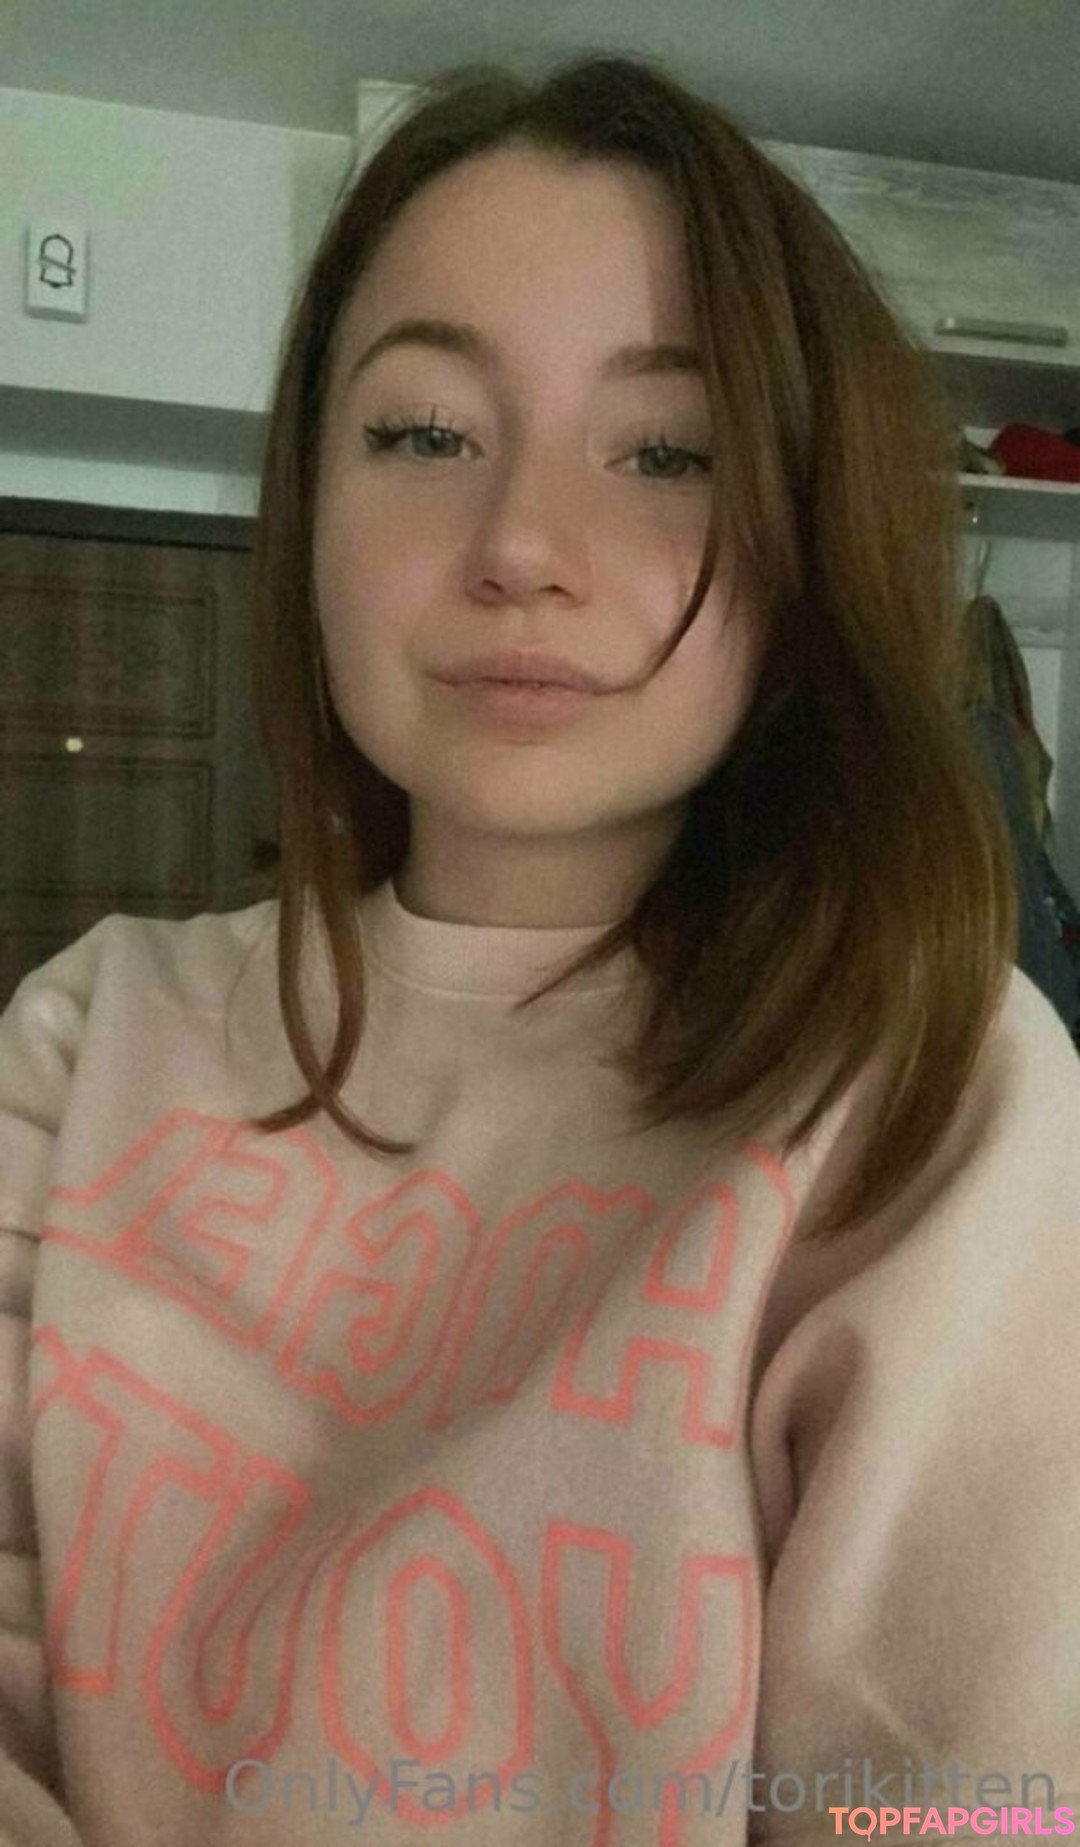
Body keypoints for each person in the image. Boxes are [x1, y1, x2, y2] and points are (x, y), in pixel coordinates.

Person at [2, 49, 1078, 1847]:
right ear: (310, 507)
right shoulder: (87, 1035)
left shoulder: (933, 1087)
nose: (519, 546)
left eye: (666, 452)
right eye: (426, 434)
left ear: (801, 542)